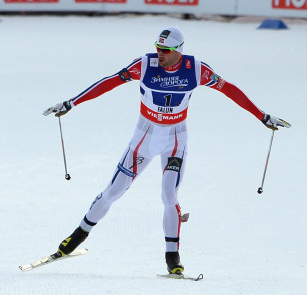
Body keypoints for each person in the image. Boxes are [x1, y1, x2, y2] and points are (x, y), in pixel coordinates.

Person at [42, 27, 290, 275]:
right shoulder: (145, 65)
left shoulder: (197, 70)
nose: (159, 53)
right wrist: (71, 103)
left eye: (166, 50)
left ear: (178, 51)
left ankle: (172, 256)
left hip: (175, 139)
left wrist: (262, 116)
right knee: (112, 192)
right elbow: (109, 82)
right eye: (158, 48)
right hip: (144, 137)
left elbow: (230, 89)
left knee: (169, 195)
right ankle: (77, 237)